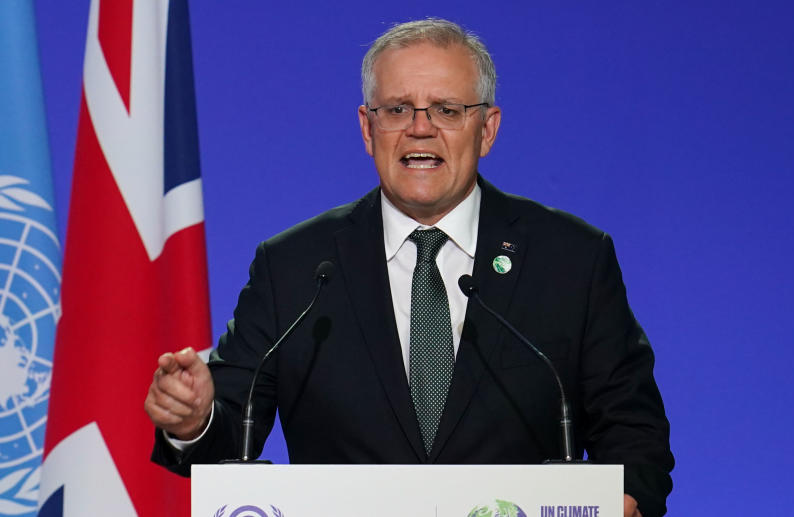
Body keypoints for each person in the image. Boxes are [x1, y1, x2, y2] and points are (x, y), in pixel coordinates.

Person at [145, 18, 673, 517]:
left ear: (486, 129)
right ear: (367, 128)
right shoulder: (295, 267)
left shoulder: (571, 259)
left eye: (446, 109)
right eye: (397, 109)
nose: (420, 129)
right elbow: (230, 433)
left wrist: (625, 498)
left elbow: (634, 432)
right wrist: (194, 421)